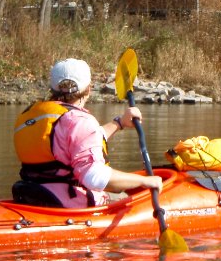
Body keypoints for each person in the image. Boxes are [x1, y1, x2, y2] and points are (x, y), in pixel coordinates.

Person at [12, 58, 162, 208]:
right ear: (89, 89)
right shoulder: (79, 120)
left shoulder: (31, 115)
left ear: (52, 88)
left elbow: (79, 140)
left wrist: (120, 123)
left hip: (32, 195)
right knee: (136, 200)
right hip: (69, 203)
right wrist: (145, 181)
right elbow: (94, 178)